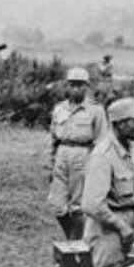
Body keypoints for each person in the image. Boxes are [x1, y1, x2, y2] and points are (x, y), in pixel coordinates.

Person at [81, 97, 134, 267]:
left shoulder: (128, 149)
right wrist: (121, 227)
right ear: (120, 124)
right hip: (106, 231)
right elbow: (92, 205)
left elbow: (128, 186)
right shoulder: (103, 155)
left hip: (124, 226)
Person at [48, 67, 107, 240]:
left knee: (78, 206)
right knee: (57, 204)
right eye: (73, 85)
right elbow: (54, 137)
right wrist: (52, 164)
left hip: (83, 155)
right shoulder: (60, 109)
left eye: (80, 85)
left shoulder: (95, 110)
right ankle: (73, 236)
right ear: (67, 86)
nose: (76, 89)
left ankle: (77, 242)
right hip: (61, 154)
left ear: (86, 87)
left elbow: (102, 142)